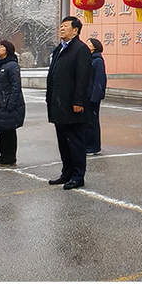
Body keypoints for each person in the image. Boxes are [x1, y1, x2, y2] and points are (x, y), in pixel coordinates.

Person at [46, 15, 92, 190]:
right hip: (58, 104)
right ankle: (66, 173)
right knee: (63, 142)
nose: (62, 28)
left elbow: (83, 77)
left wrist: (78, 101)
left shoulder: (80, 49)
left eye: (66, 26)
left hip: (73, 105)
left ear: (76, 30)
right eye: (61, 25)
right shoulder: (59, 49)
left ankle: (78, 176)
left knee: (76, 142)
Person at [0, 39, 25, 166]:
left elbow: (16, 86)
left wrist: (11, 103)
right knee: (1, 130)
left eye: (1, 46)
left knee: (9, 130)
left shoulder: (12, 65)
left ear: (8, 50)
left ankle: (10, 157)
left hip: (8, 104)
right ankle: (3, 155)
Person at [85, 37, 107, 154]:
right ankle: (87, 144)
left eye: (89, 42)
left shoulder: (98, 60)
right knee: (87, 121)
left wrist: (96, 96)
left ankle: (94, 146)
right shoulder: (88, 58)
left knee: (92, 122)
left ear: (95, 46)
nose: (87, 44)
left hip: (92, 96)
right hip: (86, 95)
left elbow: (100, 79)